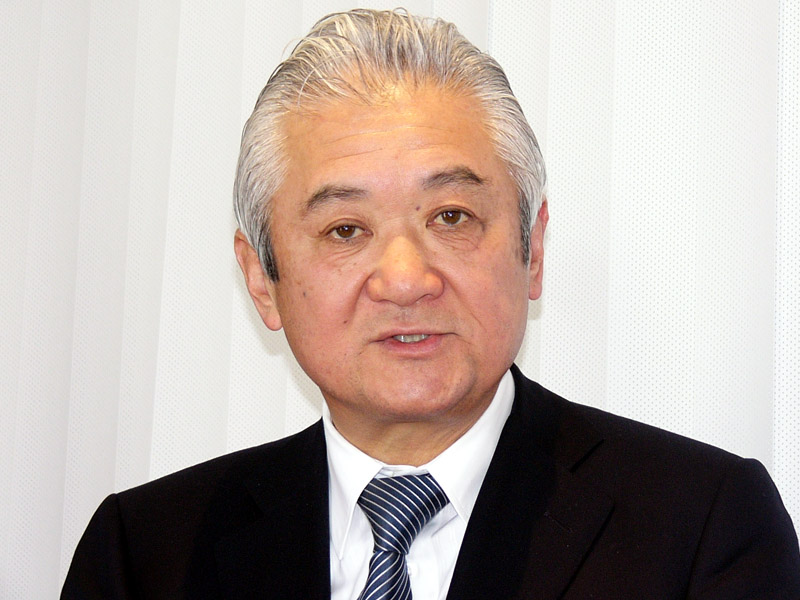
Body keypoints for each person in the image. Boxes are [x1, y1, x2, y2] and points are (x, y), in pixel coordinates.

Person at [62, 8, 800, 599]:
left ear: (532, 250)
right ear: (262, 279)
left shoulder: (702, 528)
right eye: (345, 230)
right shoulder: (143, 554)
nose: (406, 278)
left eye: (451, 217)